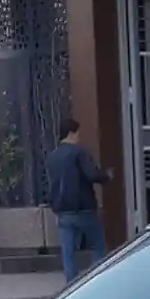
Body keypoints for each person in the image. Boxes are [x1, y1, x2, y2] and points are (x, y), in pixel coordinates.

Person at [47, 117, 113, 284]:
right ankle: (98, 280)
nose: (79, 137)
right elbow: (91, 174)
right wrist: (106, 175)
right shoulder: (79, 152)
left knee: (68, 252)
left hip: (62, 210)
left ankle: (71, 285)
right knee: (97, 246)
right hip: (83, 208)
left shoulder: (53, 156)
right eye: (78, 133)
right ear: (71, 133)